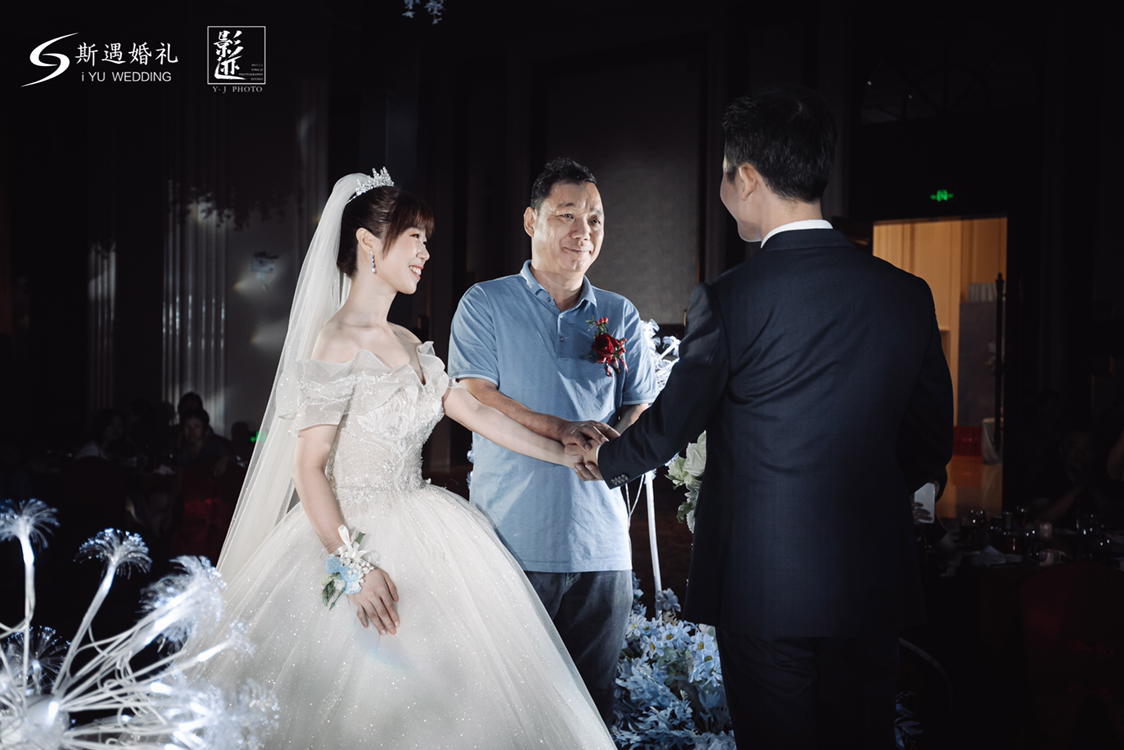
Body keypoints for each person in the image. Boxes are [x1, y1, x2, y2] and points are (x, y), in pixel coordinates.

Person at [573, 86, 953, 749]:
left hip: (765, 585)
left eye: (725, 175)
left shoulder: (730, 299)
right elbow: (929, 443)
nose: (725, 191)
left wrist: (604, 459)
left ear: (747, 178)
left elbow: (673, 425)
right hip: (870, 583)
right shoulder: (906, 295)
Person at [194, 172, 615, 749]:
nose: (424, 253)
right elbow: (307, 468)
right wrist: (354, 568)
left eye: (425, 240)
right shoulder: (336, 340)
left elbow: (475, 412)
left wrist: (566, 456)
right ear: (369, 243)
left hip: (425, 524)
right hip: (353, 534)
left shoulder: (409, 341)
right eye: (414, 237)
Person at [447, 157, 659, 723]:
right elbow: (478, 395)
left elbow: (640, 403)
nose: (583, 230)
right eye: (567, 214)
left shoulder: (619, 313)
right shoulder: (484, 303)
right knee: (508, 715)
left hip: (603, 547)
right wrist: (564, 430)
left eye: (595, 218)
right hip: (510, 542)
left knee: (591, 716)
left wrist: (612, 449)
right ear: (530, 221)